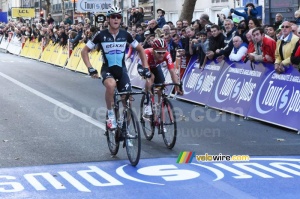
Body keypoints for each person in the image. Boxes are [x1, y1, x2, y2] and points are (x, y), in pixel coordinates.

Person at [81, 6, 149, 129]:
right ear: (108, 19)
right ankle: (111, 115)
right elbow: (84, 51)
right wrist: (90, 68)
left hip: (122, 70)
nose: (116, 19)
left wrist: (146, 67)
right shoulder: (100, 35)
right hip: (108, 69)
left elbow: (140, 49)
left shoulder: (126, 34)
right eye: (113, 16)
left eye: (118, 16)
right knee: (111, 85)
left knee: (128, 102)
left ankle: (125, 131)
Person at [137, 38, 182, 117]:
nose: (162, 55)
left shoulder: (167, 55)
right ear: (154, 50)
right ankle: (148, 103)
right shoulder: (147, 53)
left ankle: (159, 107)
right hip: (144, 67)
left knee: (161, 85)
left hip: (155, 66)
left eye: (163, 52)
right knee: (151, 77)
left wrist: (177, 85)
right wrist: (149, 84)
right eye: (159, 53)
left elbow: (172, 71)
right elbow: (147, 70)